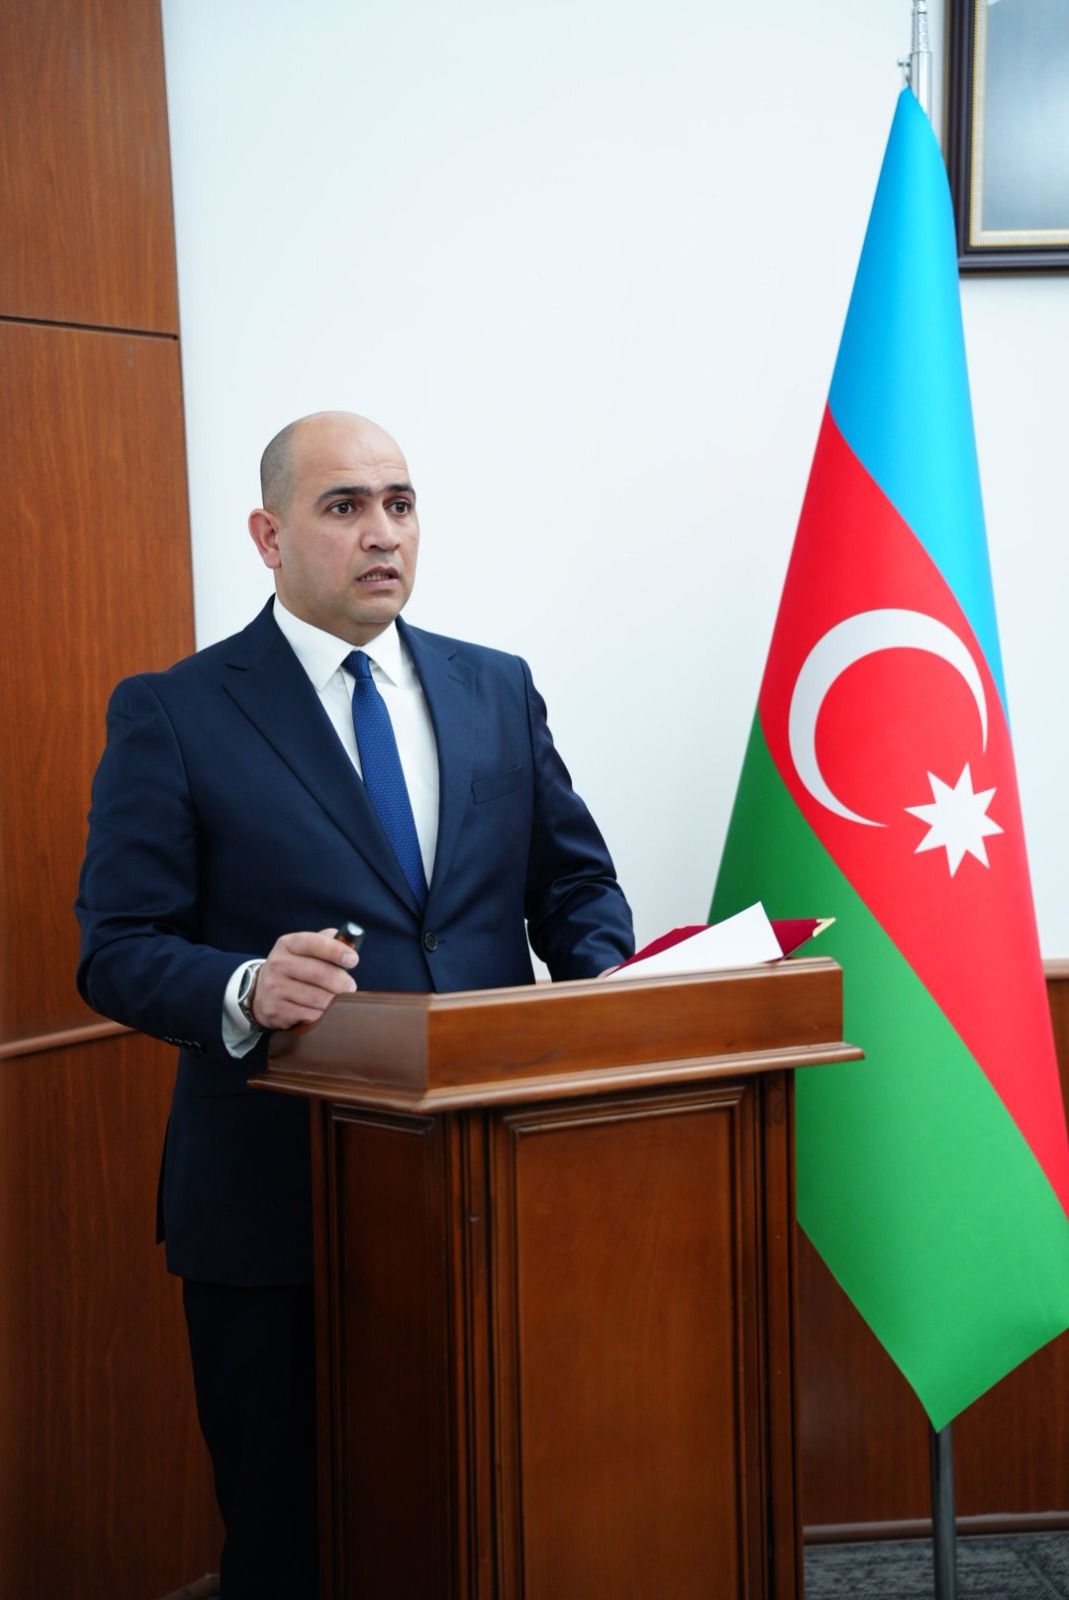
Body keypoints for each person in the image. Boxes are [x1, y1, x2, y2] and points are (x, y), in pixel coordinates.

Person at [75, 411, 634, 1599]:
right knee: (292, 1539)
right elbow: (116, 947)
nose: (383, 532)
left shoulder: (495, 687)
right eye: (344, 506)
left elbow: (575, 886)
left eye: (400, 502)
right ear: (267, 535)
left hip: (495, 1187)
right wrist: (242, 985)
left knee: (491, 1512)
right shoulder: (173, 711)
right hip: (278, 1206)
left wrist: (598, 988)